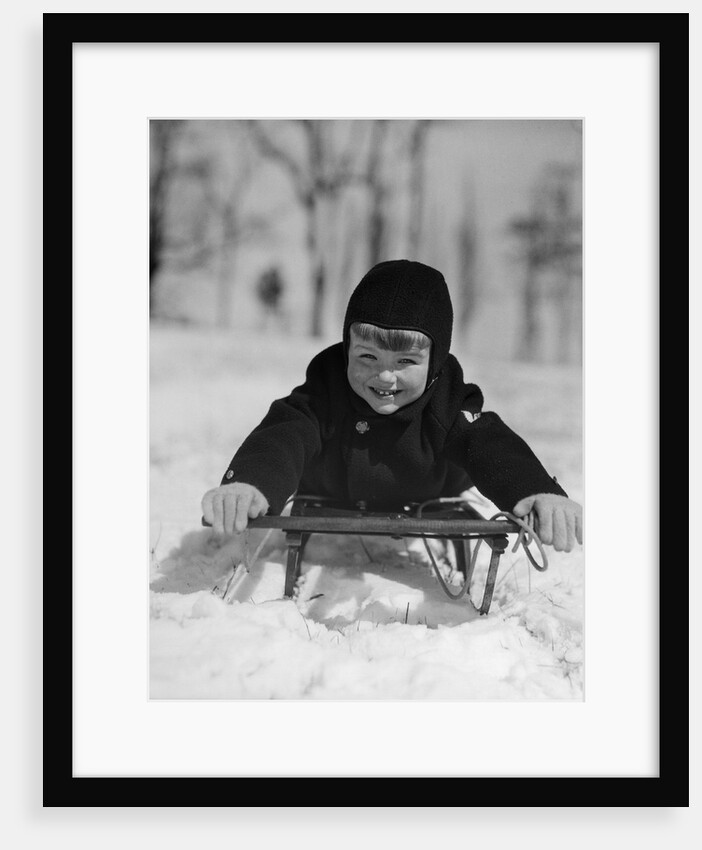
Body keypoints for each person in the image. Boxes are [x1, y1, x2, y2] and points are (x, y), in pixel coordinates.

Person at [202, 259, 582, 552]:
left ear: (434, 362)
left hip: (426, 490)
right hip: (332, 489)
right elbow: (286, 433)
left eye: (405, 362)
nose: (385, 377)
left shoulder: (447, 402)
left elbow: (489, 443)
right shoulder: (327, 388)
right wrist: (252, 482)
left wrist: (534, 489)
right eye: (367, 357)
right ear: (347, 347)